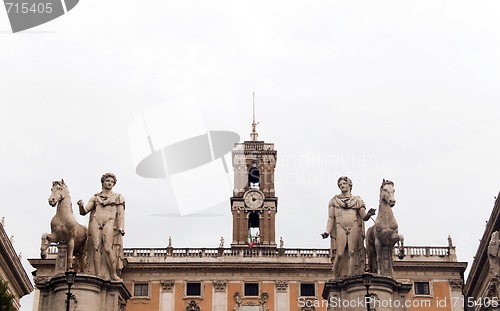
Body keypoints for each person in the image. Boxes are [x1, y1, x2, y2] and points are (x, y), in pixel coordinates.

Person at [321, 176, 375, 279]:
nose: (342, 186)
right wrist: (327, 232)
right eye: (340, 185)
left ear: (349, 185)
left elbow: (363, 217)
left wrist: (369, 214)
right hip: (340, 226)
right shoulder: (334, 201)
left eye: (344, 184)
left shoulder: (357, 200)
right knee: (340, 253)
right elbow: (331, 218)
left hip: (354, 226)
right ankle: (336, 275)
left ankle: (352, 276)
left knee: (352, 252)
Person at [78, 173, 125, 280]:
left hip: (109, 221)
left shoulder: (118, 197)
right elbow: (84, 211)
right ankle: (98, 275)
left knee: (108, 248)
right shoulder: (95, 197)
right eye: (107, 181)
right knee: (96, 247)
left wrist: (121, 227)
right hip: (95, 220)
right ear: (103, 182)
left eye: (112, 182)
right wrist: (80, 206)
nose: (110, 183)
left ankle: (113, 274)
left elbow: (121, 214)